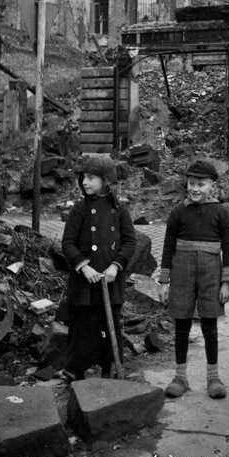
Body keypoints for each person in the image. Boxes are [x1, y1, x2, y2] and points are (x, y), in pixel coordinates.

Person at [158, 158, 229, 400]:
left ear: (212, 185)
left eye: (201, 184)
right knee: (181, 324)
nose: (195, 189)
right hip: (181, 272)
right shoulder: (178, 212)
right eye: (191, 183)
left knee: (210, 325)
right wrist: (163, 281)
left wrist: (226, 283)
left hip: (212, 272)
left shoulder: (221, 212)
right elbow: (168, 247)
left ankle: (213, 378)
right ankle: (180, 377)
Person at [61, 154, 136, 381]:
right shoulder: (80, 208)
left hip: (110, 282)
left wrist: (115, 266)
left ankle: (107, 367)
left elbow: (130, 241)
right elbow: (68, 243)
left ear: (106, 180)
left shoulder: (120, 209)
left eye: (91, 177)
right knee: (83, 328)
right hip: (85, 284)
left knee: (107, 326)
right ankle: (76, 371)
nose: (85, 182)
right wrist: (84, 267)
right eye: (83, 177)